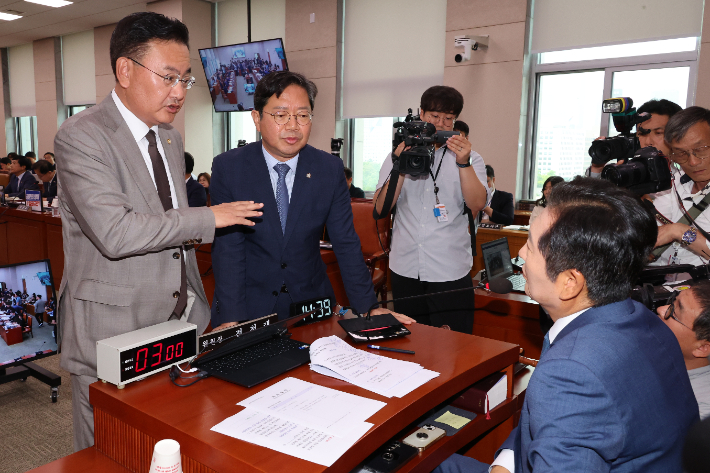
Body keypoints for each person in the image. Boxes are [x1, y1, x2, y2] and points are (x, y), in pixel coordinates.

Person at [54, 12, 263, 451]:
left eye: (185, 80)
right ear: (125, 70)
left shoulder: (167, 138)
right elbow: (115, 232)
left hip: (176, 324)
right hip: (111, 327)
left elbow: (169, 229)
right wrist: (211, 217)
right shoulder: (81, 136)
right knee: (109, 451)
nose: (178, 92)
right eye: (169, 77)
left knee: (165, 442)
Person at [435, 177, 699, 473]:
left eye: (531, 247)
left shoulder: (573, 371)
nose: (520, 254)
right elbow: (554, 419)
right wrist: (505, 463)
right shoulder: (644, 320)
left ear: (569, 283)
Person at [209, 71, 412, 327]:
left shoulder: (329, 169)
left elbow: (346, 243)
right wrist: (231, 317)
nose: (293, 126)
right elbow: (229, 250)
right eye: (280, 115)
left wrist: (368, 307)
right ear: (257, 118)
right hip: (249, 306)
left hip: (310, 305)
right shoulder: (230, 168)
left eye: (303, 115)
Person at [373, 86, 489, 333]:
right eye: (434, 116)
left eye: (448, 118)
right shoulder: (398, 153)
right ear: (421, 113)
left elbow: (477, 204)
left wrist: (463, 163)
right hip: (405, 267)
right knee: (410, 338)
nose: (440, 123)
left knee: (453, 346)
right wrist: (400, 165)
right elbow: (381, 208)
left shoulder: (470, 157)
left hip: (449, 268)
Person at [651, 106, 710, 277]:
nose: (692, 162)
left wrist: (679, 231)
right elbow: (654, 236)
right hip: (665, 289)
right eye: (681, 153)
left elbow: (671, 231)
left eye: (701, 150)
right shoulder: (674, 184)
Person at [657, 280, 710, 420]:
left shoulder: (699, 409)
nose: (661, 309)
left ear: (702, 348)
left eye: (674, 312)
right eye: (672, 302)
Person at [588, 99, 682, 177]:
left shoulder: (686, 181)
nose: (648, 142)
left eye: (658, 133)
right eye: (642, 133)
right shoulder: (617, 174)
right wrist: (597, 169)